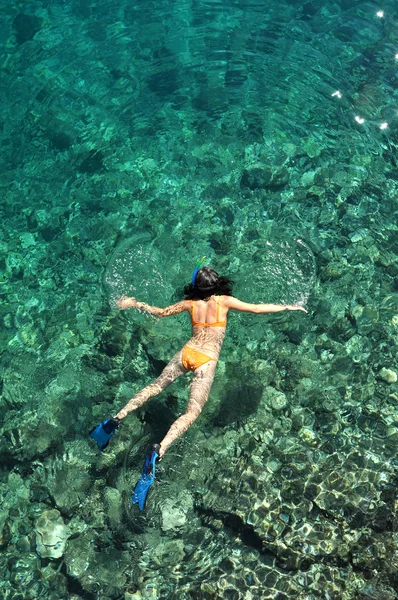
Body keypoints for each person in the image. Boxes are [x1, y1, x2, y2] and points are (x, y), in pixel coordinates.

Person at [90, 261, 307, 509]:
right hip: (206, 360)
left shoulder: (190, 304)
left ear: (195, 286)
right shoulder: (224, 301)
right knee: (192, 412)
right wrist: (289, 306)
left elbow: (160, 313)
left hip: (188, 352)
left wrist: (135, 303)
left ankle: (117, 418)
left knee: (155, 386)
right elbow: (257, 309)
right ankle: (159, 450)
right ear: (217, 284)